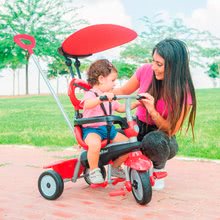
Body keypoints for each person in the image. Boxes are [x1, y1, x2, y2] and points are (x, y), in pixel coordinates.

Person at [113, 38, 196, 190]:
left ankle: (158, 171)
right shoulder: (145, 70)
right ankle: (110, 168)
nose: (153, 67)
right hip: (139, 126)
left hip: (162, 137)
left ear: (174, 67)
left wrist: (152, 110)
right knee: (108, 134)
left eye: (159, 64)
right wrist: (96, 91)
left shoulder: (183, 91)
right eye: (153, 62)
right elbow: (123, 91)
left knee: (153, 141)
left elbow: (171, 129)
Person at [81, 59, 139, 184]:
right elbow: (87, 104)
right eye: (112, 80)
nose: (114, 84)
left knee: (128, 145)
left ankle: (115, 167)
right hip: (92, 130)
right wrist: (101, 98)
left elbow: (120, 108)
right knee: (94, 144)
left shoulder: (110, 96)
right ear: (101, 79)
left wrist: (135, 104)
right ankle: (93, 171)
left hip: (109, 130)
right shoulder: (91, 94)